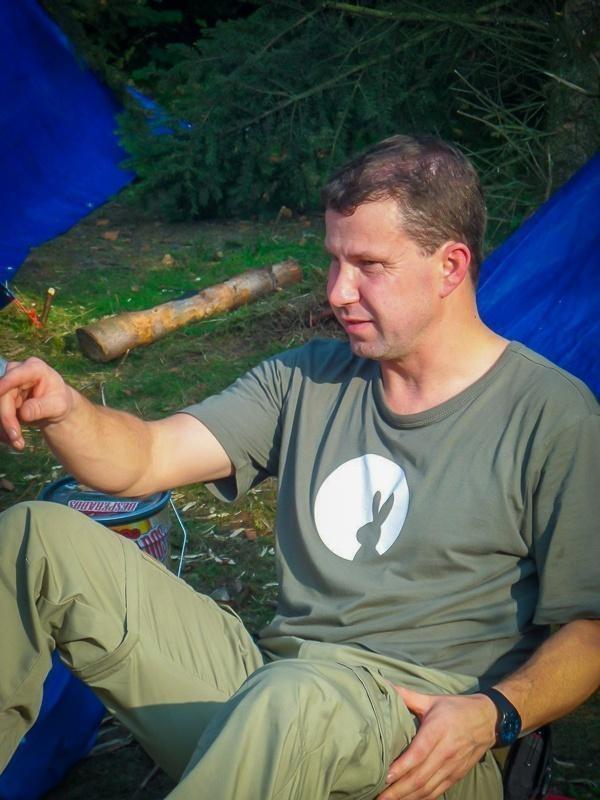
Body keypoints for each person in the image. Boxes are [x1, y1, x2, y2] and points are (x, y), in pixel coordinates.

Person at [0, 135, 598, 800]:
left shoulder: (551, 415)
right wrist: (65, 411)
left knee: (295, 696)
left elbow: (591, 629)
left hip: (423, 746)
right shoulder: (306, 379)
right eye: (334, 260)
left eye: (368, 265)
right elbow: (145, 458)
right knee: (36, 538)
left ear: (450, 267)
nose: (338, 291)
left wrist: (495, 713)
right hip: (270, 699)